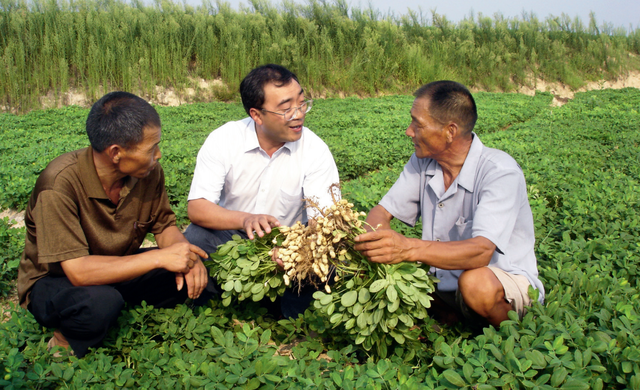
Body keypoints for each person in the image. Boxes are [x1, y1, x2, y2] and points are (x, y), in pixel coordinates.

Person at [17, 92, 211, 357]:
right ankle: (63, 340)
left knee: (199, 274)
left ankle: (120, 306)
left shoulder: (148, 172)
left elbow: (164, 226)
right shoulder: (59, 184)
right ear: (116, 153)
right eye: (150, 148)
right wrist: (159, 258)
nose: (159, 154)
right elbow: (79, 272)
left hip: (120, 267)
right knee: (98, 303)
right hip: (57, 281)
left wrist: (185, 256)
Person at [354, 81, 544, 328]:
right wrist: (372, 243)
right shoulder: (424, 161)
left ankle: (514, 339)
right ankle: (452, 319)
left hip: (503, 282)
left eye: (417, 124)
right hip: (444, 285)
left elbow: (481, 252)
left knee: (475, 284)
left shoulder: (499, 172)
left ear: (450, 131)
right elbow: (382, 211)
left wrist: (407, 249)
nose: (409, 131)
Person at [184, 64, 340, 318]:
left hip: (290, 244)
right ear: (257, 115)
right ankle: (209, 309)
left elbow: (323, 223)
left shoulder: (314, 150)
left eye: (302, 103)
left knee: (332, 255)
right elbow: (197, 207)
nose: (298, 114)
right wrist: (245, 219)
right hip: (233, 238)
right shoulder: (224, 140)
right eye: (286, 108)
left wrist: (295, 249)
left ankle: (290, 317)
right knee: (197, 238)